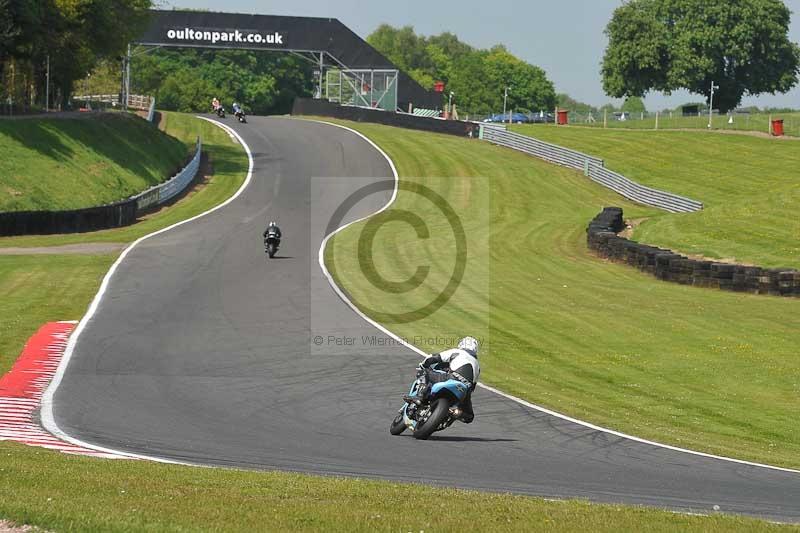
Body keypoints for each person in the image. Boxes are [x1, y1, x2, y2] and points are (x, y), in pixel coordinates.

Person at [406, 336, 480, 423]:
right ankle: (454, 413)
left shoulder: (457, 352)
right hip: (465, 390)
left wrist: (424, 365)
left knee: (425, 373)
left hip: (451, 378)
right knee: (469, 416)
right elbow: (473, 387)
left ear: (461, 344)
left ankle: (420, 397)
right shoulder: (477, 365)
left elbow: (434, 357)